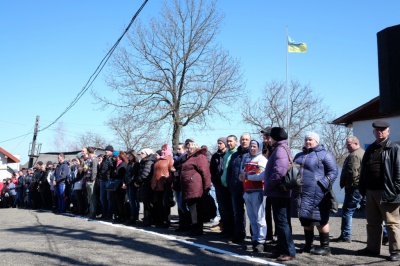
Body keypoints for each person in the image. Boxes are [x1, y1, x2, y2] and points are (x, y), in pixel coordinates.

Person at [357, 120, 400, 261]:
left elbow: (399, 171)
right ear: (373, 132)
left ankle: (396, 251)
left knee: (392, 223)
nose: (380, 132)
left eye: (383, 129)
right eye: (377, 130)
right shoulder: (370, 149)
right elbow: (364, 169)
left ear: (388, 131)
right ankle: (372, 248)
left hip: (387, 191)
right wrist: (362, 188)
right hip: (370, 191)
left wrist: (395, 189)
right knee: (372, 223)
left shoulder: (394, 148)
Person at [294, 132, 338, 256]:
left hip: (318, 194)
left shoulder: (325, 154)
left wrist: (322, 184)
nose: (308, 142)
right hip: (302, 193)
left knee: (320, 219)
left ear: (316, 141)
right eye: (306, 139)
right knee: (305, 219)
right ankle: (308, 245)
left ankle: (325, 247)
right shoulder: (299, 155)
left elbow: (333, 172)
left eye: (310, 140)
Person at [264, 127, 296, 261]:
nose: (268, 139)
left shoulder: (280, 150)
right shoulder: (282, 148)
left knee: (282, 222)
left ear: (275, 137)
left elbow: (279, 172)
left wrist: (268, 184)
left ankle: (289, 251)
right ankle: (280, 249)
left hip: (278, 191)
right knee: (279, 222)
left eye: (270, 137)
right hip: (278, 191)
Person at [333, 136, 365, 243]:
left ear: (355, 143)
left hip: (354, 188)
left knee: (347, 211)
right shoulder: (362, 153)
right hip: (362, 187)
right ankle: (384, 234)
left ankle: (345, 235)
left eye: (348, 144)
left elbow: (353, 173)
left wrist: (349, 186)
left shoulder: (354, 155)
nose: (347, 147)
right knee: (370, 212)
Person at [239, 139, 267, 252]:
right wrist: (242, 177)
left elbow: (261, 175)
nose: (252, 148)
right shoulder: (247, 158)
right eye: (251, 146)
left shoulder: (262, 160)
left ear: (259, 147)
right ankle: (254, 239)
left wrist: (247, 177)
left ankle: (261, 241)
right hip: (247, 191)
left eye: (254, 146)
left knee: (260, 218)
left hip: (258, 192)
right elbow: (241, 173)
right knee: (252, 218)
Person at [180, 139, 212, 236]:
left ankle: (197, 228)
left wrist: (207, 187)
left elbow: (205, 172)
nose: (188, 149)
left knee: (196, 208)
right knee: (192, 208)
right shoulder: (189, 158)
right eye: (187, 147)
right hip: (189, 187)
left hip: (196, 187)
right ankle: (194, 227)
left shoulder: (199, 157)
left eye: (190, 147)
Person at [226, 133, 251, 244]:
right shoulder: (235, 155)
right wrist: (229, 183)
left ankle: (254, 237)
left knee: (252, 214)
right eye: (242, 139)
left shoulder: (252, 154)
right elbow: (230, 171)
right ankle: (239, 235)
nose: (244, 141)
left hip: (248, 188)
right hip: (235, 188)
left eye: (246, 139)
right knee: (237, 213)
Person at [151, 144, 175, 228]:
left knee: (165, 203)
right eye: (162, 149)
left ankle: (166, 221)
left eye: (165, 149)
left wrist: (168, 181)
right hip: (157, 184)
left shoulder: (170, 159)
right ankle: (159, 221)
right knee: (158, 203)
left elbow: (172, 171)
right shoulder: (159, 160)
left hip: (165, 184)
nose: (163, 151)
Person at [219, 135, 238, 238]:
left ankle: (235, 231)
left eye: (231, 141)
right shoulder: (227, 154)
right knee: (226, 209)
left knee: (234, 210)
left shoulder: (235, 154)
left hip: (232, 186)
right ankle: (227, 229)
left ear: (236, 142)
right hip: (224, 185)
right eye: (228, 141)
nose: (229, 143)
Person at [209, 137, 228, 232]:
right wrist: (214, 179)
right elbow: (212, 169)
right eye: (218, 143)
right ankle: (223, 223)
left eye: (220, 143)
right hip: (218, 184)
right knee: (221, 205)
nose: (219, 145)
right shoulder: (215, 156)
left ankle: (229, 226)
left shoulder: (229, 155)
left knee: (228, 206)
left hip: (227, 184)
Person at [135, 148, 157, 226]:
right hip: (144, 184)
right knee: (146, 202)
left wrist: (138, 181)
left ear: (147, 154)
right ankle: (147, 219)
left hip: (147, 184)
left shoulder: (149, 162)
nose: (141, 154)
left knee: (148, 203)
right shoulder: (144, 161)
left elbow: (145, 173)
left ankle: (149, 220)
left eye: (142, 153)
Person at [173, 143, 191, 232]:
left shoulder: (185, 158)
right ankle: (182, 224)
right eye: (177, 149)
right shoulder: (176, 158)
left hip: (182, 185)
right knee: (179, 206)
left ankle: (187, 223)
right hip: (177, 184)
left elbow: (184, 169)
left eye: (179, 149)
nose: (178, 151)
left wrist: (176, 169)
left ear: (184, 149)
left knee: (182, 206)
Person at [98, 145, 115, 219]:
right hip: (102, 179)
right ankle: (104, 213)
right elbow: (102, 168)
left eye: (107, 150)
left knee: (109, 198)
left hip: (109, 180)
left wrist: (108, 159)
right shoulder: (104, 158)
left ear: (111, 151)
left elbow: (112, 167)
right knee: (102, 198)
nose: (106, 151)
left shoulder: (113, 158)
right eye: (105, 150)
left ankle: (109, 214)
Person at [124, 149, 140, 225]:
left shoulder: (136, 164)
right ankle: (132, 215)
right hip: (128, 183)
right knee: (131, 201)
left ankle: (134, 216)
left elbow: (134, 175)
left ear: (133, 155)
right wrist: (124, 182)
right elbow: (126, 174)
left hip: (133, 184)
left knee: (134, 201)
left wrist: (129, 182)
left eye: (129, 155)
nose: (128, 156)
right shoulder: (129, 163)